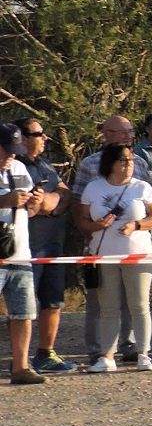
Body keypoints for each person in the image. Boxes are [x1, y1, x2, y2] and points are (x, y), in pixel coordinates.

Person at [80, 141, 152, 372]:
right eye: (123, 160)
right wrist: (96, 225)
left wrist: (137, 225)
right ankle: (107, 357)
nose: (129, 164)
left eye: (130, 160)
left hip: (137, 256)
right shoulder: (93, 188)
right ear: (110, 163)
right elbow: (81, 222)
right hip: (104, 256)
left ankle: (143, 354)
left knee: (139, 305)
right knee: (108, 308)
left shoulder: (142, 187)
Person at [73, 114, 149, 366]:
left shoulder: (140, 162)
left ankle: (130, 346)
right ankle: (99, 350)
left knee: (134, 301)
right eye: (122, 132)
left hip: (134, 246)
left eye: (131, 132)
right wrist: (91, 233)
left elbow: (150, 204)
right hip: (100, 245)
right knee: (102, 302)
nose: (129, 136)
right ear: (106, 133)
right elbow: (78, 204)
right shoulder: (89, 164)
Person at [17, 119, 74, 375]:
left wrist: (49, 204)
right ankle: (20, 360)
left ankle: (45, 353)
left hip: (52, 245)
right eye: (39, 134)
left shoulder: (45, 165)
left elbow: (65, 194)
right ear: (22, 137)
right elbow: (26, 206)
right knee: (23, 305)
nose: (44, 138)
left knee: (52, 301)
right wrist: (46, 204)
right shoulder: (14, 167)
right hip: (25, 248)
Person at [1, 124, 46, 385]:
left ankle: (21, 367)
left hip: (20, 252)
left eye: (15, 150)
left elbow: (29, 212)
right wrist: (5, 201)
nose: (11, 155)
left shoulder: (19, 168)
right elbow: (8, 202)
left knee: (24, 313)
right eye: (7, 150)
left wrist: (35, 203)